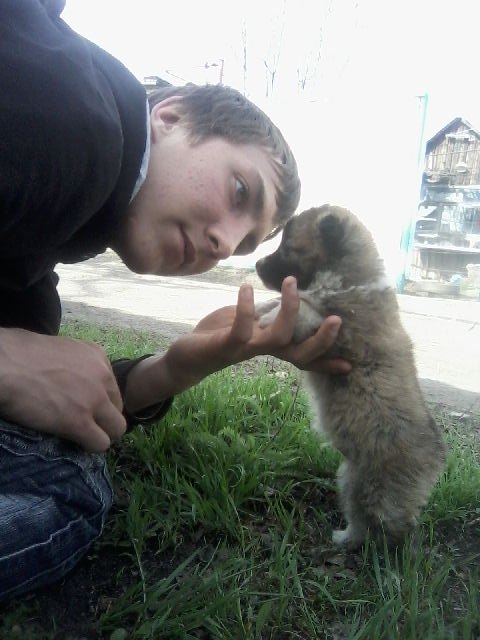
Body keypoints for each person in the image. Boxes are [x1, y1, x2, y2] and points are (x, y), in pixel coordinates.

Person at [0, 0, 349, 600]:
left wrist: (178, 365)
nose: (223, 243)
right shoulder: (74, 126)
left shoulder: (54, 224)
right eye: (239, 190)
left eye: (243, 244)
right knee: (71, 492)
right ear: (171, 116)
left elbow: (50, 405)